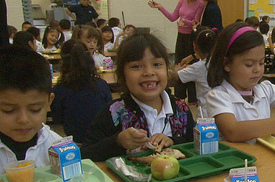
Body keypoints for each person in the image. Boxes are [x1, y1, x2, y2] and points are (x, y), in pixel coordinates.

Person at [81, 33, 194, 161]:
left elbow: (195, 146)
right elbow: (85, 154)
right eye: (136, 66)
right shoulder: (114, 113)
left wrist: (173, 141)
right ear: (122, 75)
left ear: (167, 71)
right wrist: (117, 142)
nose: (149, 72)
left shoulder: (181, 109)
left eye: (157, 64)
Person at [0, 45, 61, 173]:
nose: (23, 119)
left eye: (35, 109)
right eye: (8, 109)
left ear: (49, 102)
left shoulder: (56, 146)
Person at [51, 40, 112, 144]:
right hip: (102, 140)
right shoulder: (101, 84)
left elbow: (57, 119)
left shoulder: (59, 89)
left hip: (75, 141)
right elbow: (109, 110)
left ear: (63, 63)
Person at [148, 0, 205, 105]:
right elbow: (173, 17)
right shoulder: (182, 1)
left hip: (190, 37)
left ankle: (192, 97)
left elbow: (196, 22)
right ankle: (180, 95)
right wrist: (160, 7)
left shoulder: (200, 3)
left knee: (191, 64)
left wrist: (185, 22)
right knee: (179, 63)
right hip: (181, 36)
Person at [172, 28, 217, 117]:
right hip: (223, 109)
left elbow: (175, 76)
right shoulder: (221, 61)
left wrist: (176, 68)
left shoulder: (198, 67)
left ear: (195, 46)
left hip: (206, 112)